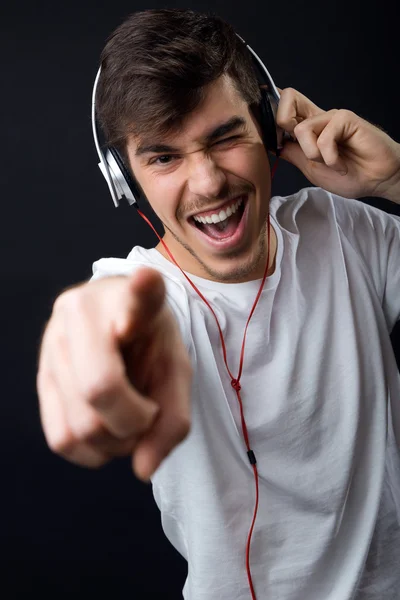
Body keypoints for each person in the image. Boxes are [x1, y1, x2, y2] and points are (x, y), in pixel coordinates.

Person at [37, 8, 400, 600]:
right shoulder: (138, 290)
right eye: (163, 157)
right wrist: (92, 342)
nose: (207, 183)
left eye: (225, 137)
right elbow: (111, 317)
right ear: (123, 180)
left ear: (270, 130)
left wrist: (395, 178)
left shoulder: (346, 232)